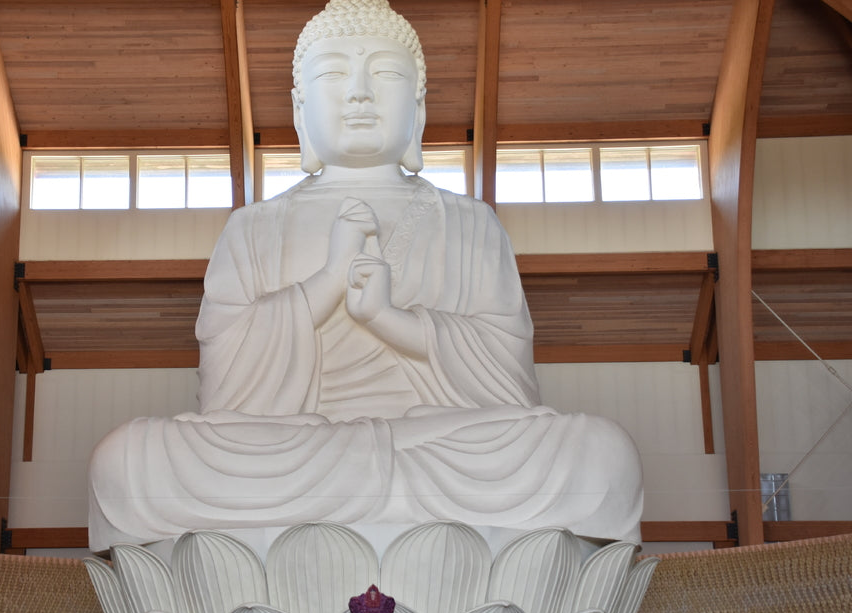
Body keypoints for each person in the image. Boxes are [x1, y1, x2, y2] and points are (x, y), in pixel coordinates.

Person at [87, 0, 643, 552]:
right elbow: (227, 394)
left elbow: (508, 382)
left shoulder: (471, 223)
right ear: (300, 110)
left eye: (385, 74)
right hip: (292, 453)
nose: (359, 93)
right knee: (126, 458)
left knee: (598, 452)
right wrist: (325, 286)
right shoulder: (252, 228)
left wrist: (390, 319)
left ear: (418, 108)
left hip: (438, 447)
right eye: (333, 73)